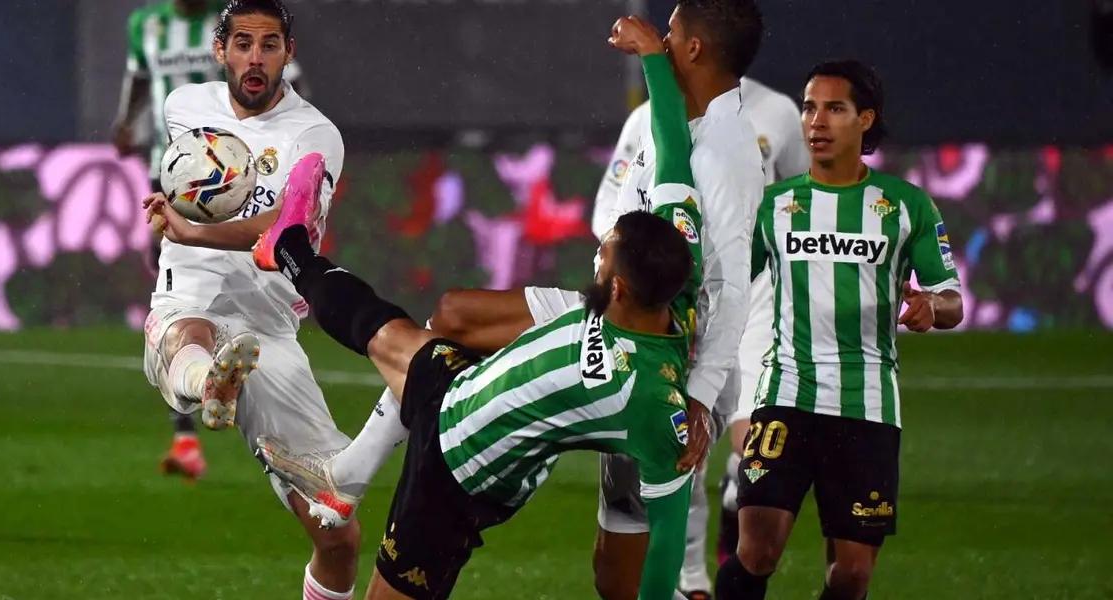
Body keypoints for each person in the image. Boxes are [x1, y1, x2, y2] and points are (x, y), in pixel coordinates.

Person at [255, 20, 704, 598]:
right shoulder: (671, 254)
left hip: (460, 475)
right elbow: (674, 151)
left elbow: (667, 537)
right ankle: (288, 247)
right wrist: (652, 59)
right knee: (377, 325)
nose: (595, 258)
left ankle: (341, 484)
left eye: (603, 257)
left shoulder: (649, 399)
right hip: (458, 381)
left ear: (618, 290)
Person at [714, 60, 964, 600]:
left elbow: (952, 298)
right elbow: (729, 287)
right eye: (808, 108)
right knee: (756, 548)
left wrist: (930, 306)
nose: (816, 121)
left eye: (834, 108)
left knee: (851, 575)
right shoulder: (774, 206)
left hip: (867, 405)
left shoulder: (905, 205)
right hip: (785, 392)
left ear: (865, 119)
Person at [139, 2, 359, 598]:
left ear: (289, 51)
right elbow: (186, 181)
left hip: (269, 330)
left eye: (268, 44)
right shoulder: (183, 107)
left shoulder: (314, 136)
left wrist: (195, 230)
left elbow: (291, 227)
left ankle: (216, 378)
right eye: (242, 43)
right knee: (189, 334)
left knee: (337, 534)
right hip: (191, 294)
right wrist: (177, 217)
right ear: (221, 49)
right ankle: (208, 382)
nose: (254, 58)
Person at [595, 74, 809, 600]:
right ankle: (691, 580)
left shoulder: (776, 111)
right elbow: (609, 207)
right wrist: (646, 269)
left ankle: (740, 520)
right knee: (678, 445)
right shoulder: (647, 117)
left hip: (755, 296)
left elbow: (800, 197)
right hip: (672, 303)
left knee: (746, 445)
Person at [113, 0, 303, 480]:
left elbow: (286, 84)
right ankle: (190, 423)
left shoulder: (238, 27)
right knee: (179, 292)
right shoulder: (146, 25)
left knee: (213, 288)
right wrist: (126, 123)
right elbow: (139, 82)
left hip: (246, 180)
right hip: (175, 181)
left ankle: (217, 391)